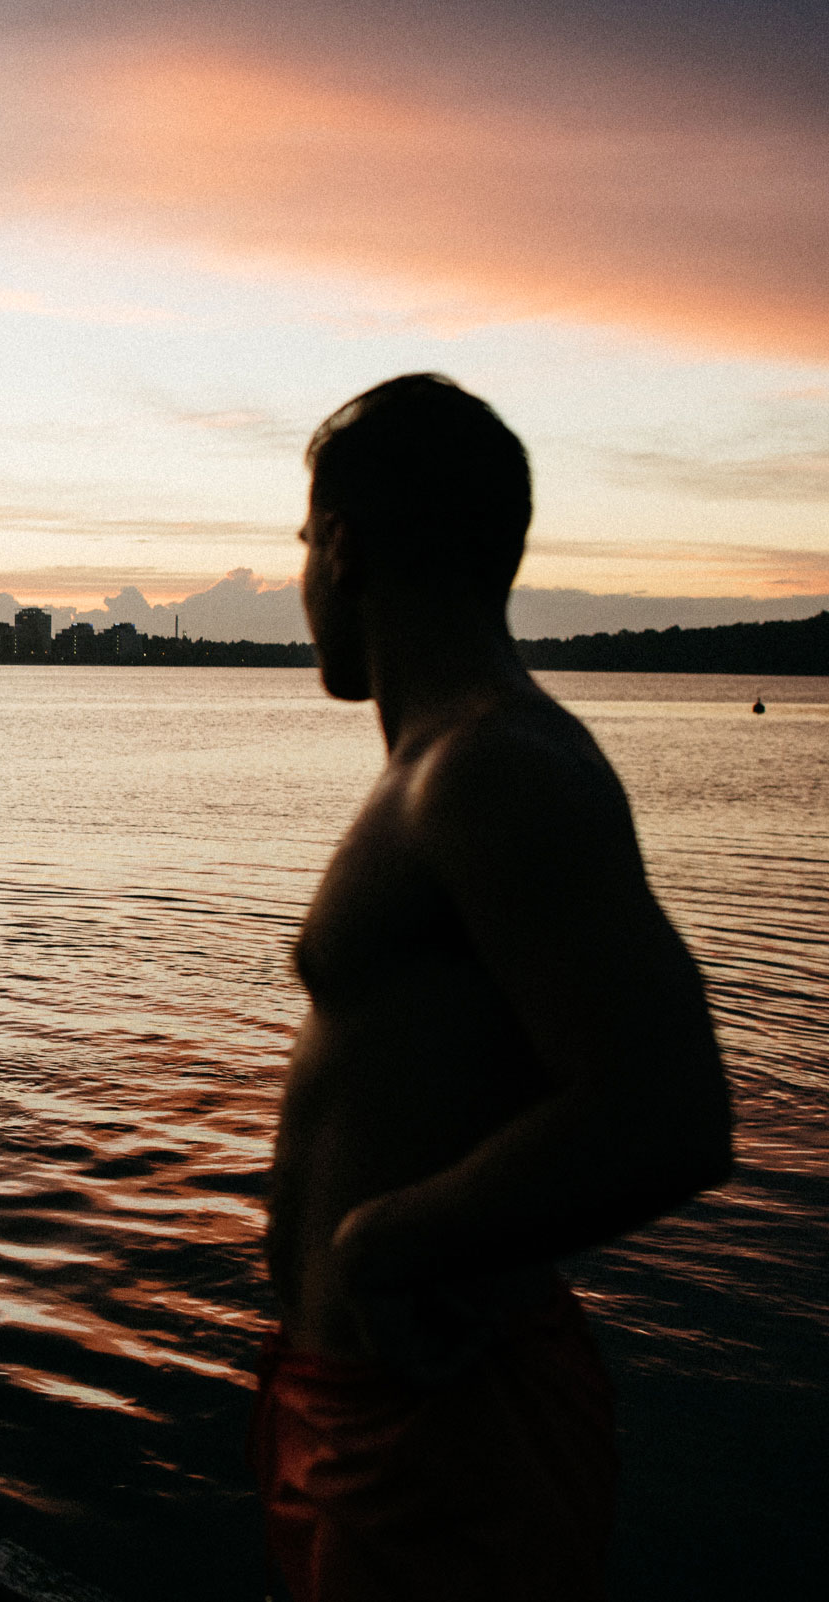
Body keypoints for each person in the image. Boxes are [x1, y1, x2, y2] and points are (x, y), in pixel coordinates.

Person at [255, 374, 735, 1600]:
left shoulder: (494, 768)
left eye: (307, 544)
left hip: (446, 1426)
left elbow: (671, 1107)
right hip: (361, 1401)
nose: (306, 578)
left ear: (348, 548)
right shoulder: (440, 765)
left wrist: (384, 1240)